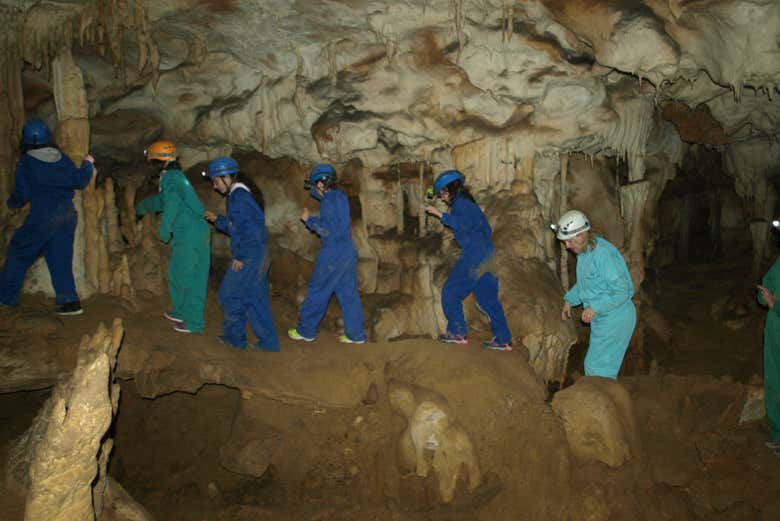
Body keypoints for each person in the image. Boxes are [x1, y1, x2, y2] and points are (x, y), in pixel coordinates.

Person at [0, 119, 95, 315]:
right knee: (60, 257)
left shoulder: (26, 163)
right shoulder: (61, 158)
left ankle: (6, 298)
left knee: (19, 252)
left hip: (44, 214)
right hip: (67, 214)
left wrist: (11, 204)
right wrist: (87, 164)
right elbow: (79, 180)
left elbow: (22, 193)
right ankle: (69, 302)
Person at [424, 169, 513, 351]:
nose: (441, 198)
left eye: (442, 193)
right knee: (487, 298)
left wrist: (440, 215)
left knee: (451, 291)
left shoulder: (461, 205)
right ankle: (503, 339)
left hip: (475, 254)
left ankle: (457, 332)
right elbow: (485, 230)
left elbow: (462, 223)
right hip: (487, 253)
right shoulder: (471, 206)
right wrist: (460, 236)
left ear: (451, 190)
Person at [203, 156, 280, 352]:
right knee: (256, 299)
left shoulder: (238, 197)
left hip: (250, 255)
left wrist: (241, 256)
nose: (214, 185)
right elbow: (239, 226)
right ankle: (269, 344)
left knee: (229, 295)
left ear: (227, 177)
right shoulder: (241, 195)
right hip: (258, 253)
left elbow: (251, 233)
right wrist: (218, 220)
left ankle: (235, 340)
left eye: (216, 180)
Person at [136, 140, 210, 334]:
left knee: (188, 277)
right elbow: (164, 200)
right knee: (179, 273)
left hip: (190, 234)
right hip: (192, 231)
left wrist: (164, 229)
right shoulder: (175, 177)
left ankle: (193, 322)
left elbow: (173, 202)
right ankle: (180, 311)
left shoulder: (171, 177)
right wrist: (143, 207)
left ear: (157, 162)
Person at [288, 163, 367, 344]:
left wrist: (310, 220)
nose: (314, 189)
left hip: (334, 253)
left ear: (322, 184)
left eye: (316, 185)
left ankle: (306, 331)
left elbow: (329, 230)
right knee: (348, 294)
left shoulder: (330, 201)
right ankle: (356, 335)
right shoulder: (340, 197)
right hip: (347, 252)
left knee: (317, 291)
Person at [553, 209, 636, 378]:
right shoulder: (585, 254)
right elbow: (586, 284)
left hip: (616, 317)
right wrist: (570, 300)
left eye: (568, 241)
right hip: (605, 317)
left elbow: (623, 290)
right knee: (598, 365)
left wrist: (595, 307)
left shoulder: (602, 254)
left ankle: (602, 402)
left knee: (597, 368)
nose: (567, 246)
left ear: (580, 236)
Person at [756, 234, 780, 455]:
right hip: (775, 329)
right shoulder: (779, 263)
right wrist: (766, 299)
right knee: (774, 381)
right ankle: (778, 434)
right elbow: (765, 286)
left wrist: (776, 304)